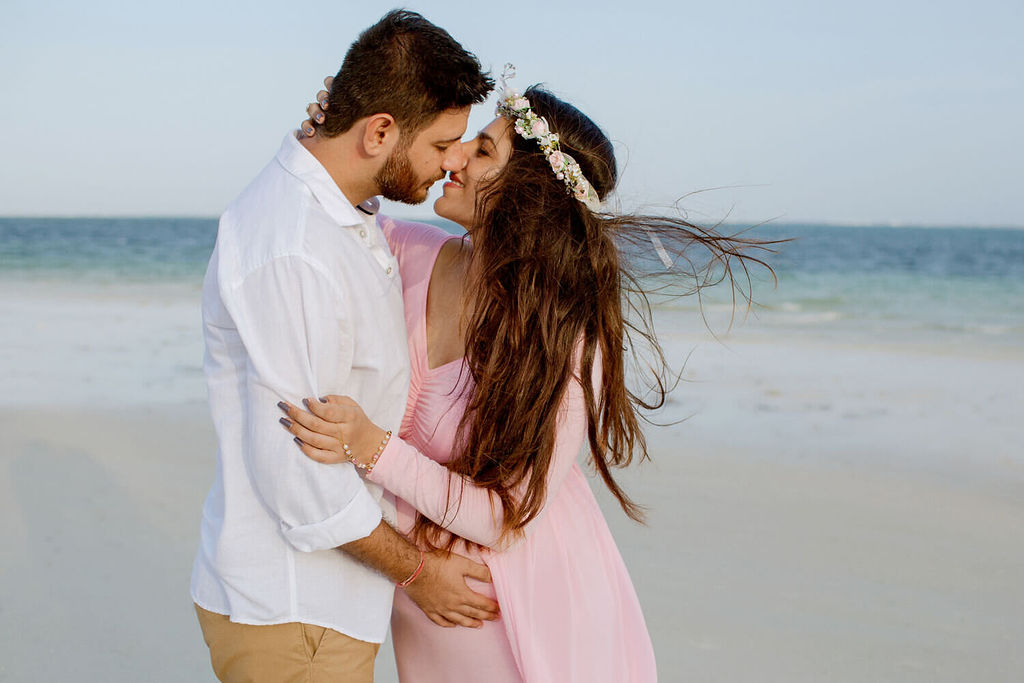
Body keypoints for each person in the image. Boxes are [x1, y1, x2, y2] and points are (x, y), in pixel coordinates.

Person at [280, 69, 773, 681]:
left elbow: (505, 517)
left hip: (521, 599)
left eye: (482, 149)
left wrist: (371, 448)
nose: (455, 156)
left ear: (528, 193)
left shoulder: (564, 337)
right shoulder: (404, 252)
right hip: (428, 595)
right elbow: (329, 208)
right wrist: (329, 136)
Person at [190, 11, 498, 682]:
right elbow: (299, 481)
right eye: (444, 141)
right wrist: (421, 573)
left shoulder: (344, 214)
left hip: (322, 610)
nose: (453, 160)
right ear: (381, 131)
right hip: (293, 610)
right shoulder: (295, 249)